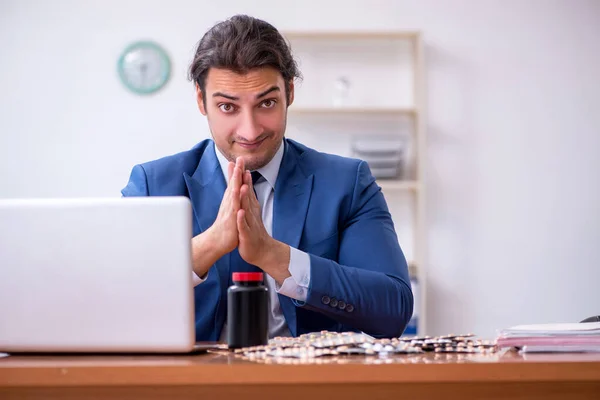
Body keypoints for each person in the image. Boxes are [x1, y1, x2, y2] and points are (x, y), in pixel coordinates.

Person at [121, 14, 413, 340]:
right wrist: (210, 244)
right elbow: (116, 297)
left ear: (289, 92)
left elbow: (393, 310)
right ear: (202, 102)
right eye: (228, 107)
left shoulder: (347, 183)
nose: (250, 130)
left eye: (267, 103)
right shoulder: (153, 185)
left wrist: (273, 256)